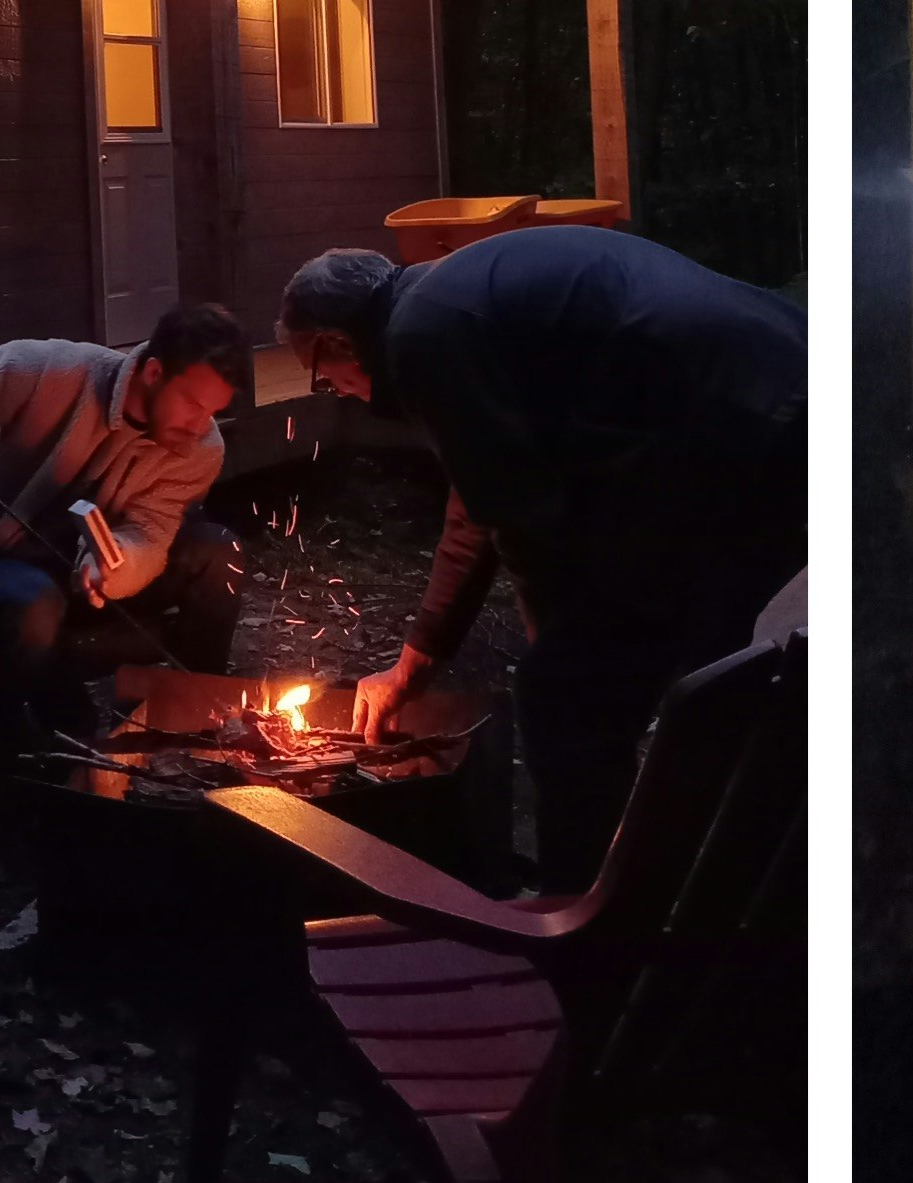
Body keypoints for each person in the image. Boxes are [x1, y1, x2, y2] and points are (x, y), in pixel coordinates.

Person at [278, 226, 804, 893]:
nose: (337, 389)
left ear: (335, 342)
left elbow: (519, 520)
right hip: (775, 393)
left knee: (566, 697)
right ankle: (695, 885)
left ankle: (585, 917)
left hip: (738, 424)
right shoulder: (441, 303)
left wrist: (552, 634)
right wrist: (414, 663)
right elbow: (478, 502)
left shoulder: (423, 337)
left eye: (323, 377)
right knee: (697, 664)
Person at [0, 303, 252, 753]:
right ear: (154, 372)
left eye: (213, 411)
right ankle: (67, 743)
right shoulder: (58, 373)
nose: (200, 425)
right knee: (32, 603)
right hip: (4, 566)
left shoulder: (199, 446)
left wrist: (115, 564)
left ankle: (193, 717)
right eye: (193, 405)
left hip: (94, 588)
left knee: (218, 553)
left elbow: (152, 530)